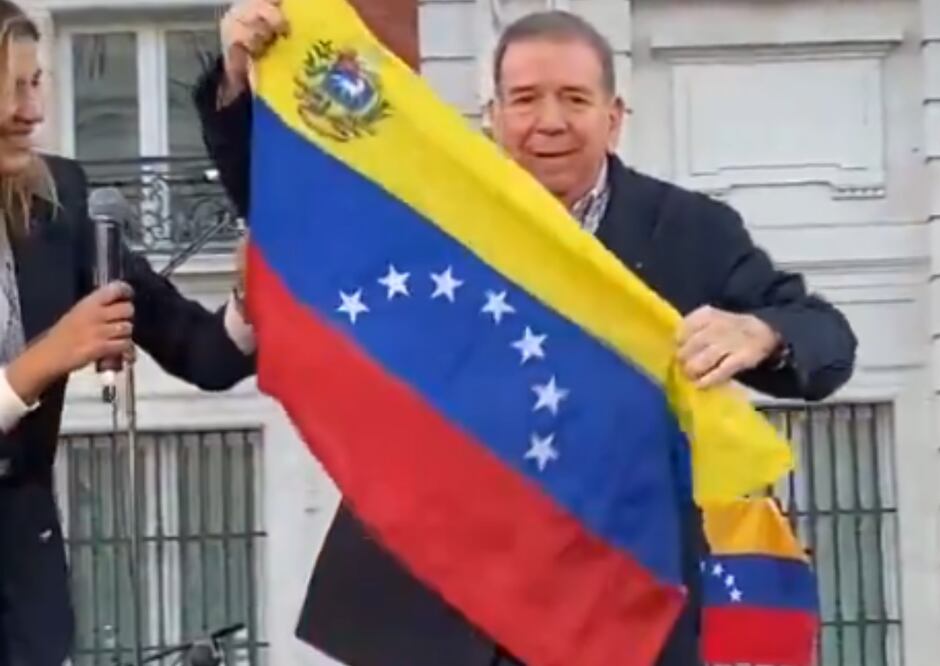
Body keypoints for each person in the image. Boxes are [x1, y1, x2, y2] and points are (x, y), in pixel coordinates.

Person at [196, 2, 858, 664]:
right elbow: (295, 202)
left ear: (613, 117)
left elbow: (828, 343)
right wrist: (237, 80)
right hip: (439, 608)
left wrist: (761, 331)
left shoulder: (690, 230)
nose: (549, 122)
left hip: (616, 612)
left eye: (573, 98)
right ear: (492, 117)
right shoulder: (436, 207)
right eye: (524, 99)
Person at [0, 2, 256, 664]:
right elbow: (53, 352)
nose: (30, 112)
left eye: (35, 85)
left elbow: (204, 352)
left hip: (22, 582)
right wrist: (52, 354)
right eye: (8, 90)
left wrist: (250, 301)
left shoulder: (63, 201)